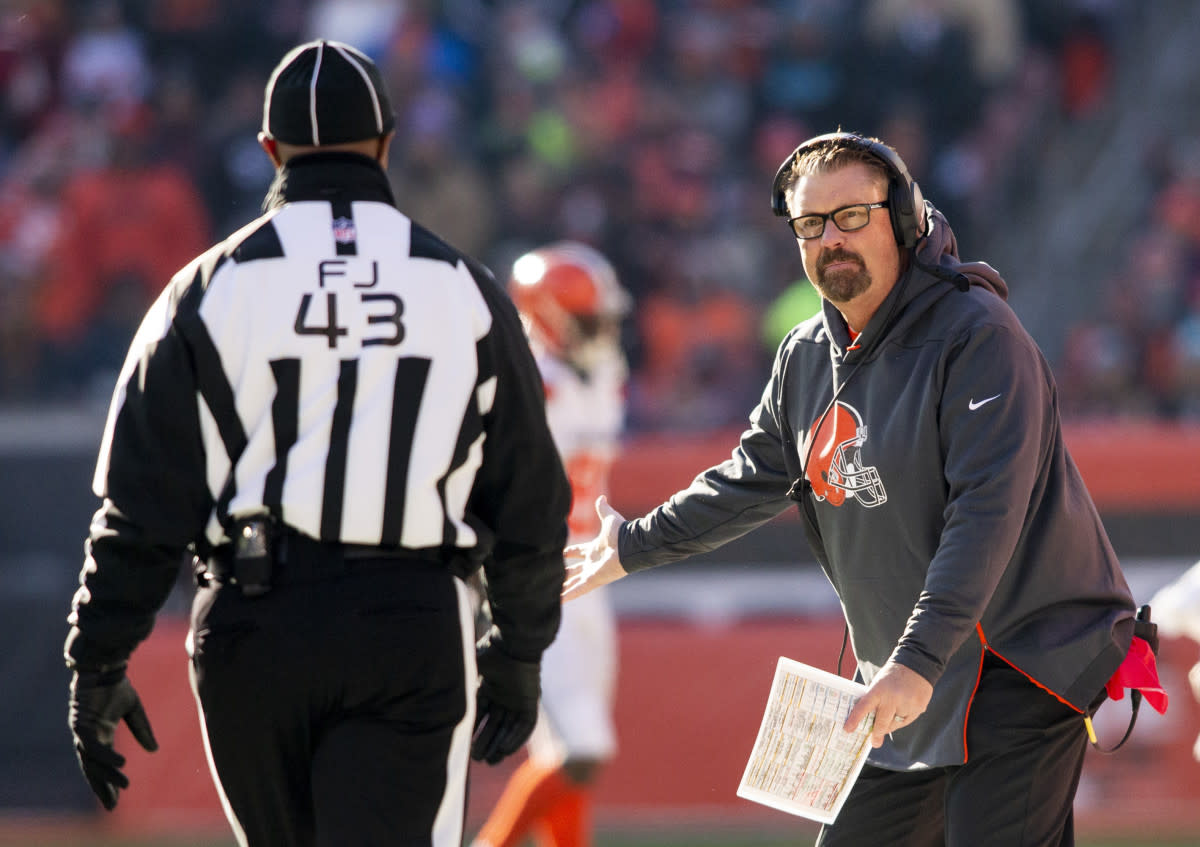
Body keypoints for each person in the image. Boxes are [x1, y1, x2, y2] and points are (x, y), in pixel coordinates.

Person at [562, 132, 1146, 846]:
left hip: (1017, 661)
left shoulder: (981, 335)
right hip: (906, 674)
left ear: (901, 219)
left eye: (851, 216)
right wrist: (631, 546)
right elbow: (749, 478)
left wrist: (916, 661)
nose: (829, 238)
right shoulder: (805, 354)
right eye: (810, 224)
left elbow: (985, 516)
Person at [63, 39, 571, 847]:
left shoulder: (203, 290)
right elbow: (531, 498)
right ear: (387, 142)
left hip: (252, 625)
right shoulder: (464, 288)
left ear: (269, 150)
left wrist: (97, 658)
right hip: (409, 619)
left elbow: (142, 504)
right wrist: (518, 649)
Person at [471, 242, 630, 847]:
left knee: (573, 759)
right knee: (581, 751)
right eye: (589, 318)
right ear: (548, 316)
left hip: (591, 573)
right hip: (538, 579)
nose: (602, 331)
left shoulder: (603, 373)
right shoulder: (522, 381)